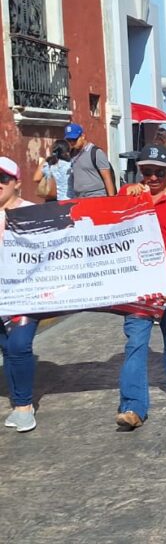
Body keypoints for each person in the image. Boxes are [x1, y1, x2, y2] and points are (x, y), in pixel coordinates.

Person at [115, 145, 166, 430]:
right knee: (135, 343)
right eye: (147, 171)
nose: (152, 178)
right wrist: (125, 198)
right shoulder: (128, 196)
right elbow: (107, 229)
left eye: (159, 172)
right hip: (138, 288)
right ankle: (133, 407)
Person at [0, 157, 38, 432]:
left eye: (3, 179)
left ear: (17, 183)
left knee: (18, 345)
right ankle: (18, 402)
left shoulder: (33, 213)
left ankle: (24, 407)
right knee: (6, 347)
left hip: (26, 294)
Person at [65, 123, 116, 198]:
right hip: (79, 196)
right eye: (69, 140)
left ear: (83, 136)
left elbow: (107, 178)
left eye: (74, 139)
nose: (72, 143)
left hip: (96, 195)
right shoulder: (72, 154)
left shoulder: (96, 153)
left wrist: (111, 199)